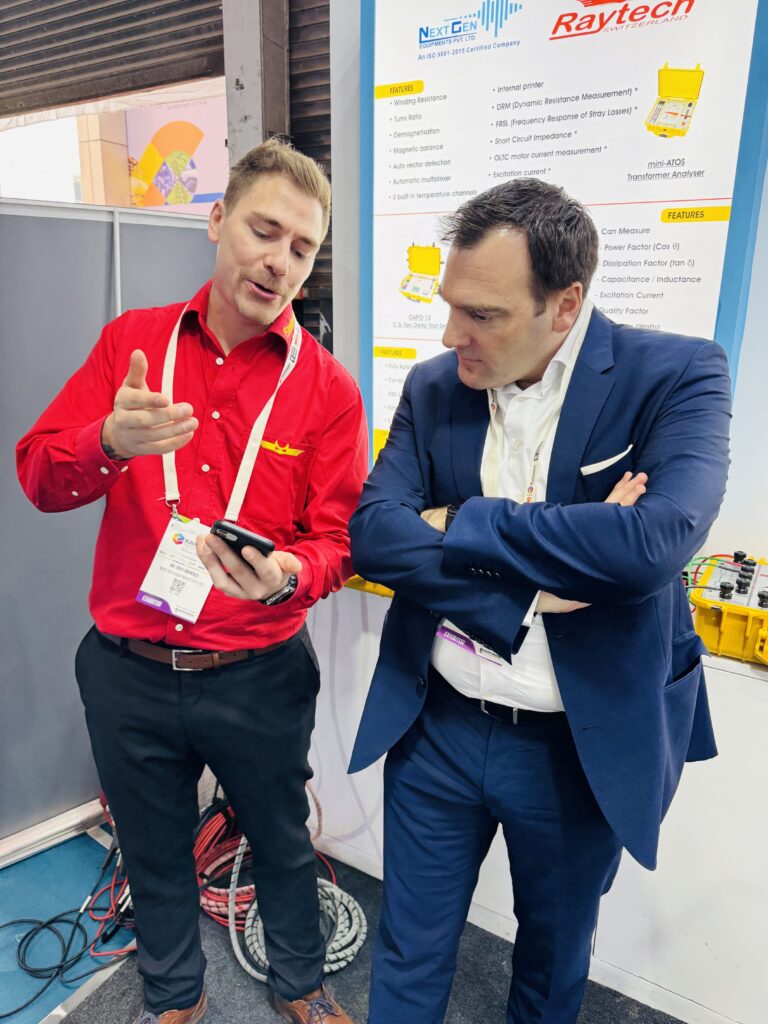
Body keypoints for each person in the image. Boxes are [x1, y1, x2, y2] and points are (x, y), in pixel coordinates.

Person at [348, 178, 731, 1024]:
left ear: (564, 305)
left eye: (482, 315)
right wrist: (531, 593)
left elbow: (651, 545)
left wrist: (459, 519)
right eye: (451, 306)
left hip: (576, 746)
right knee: (408, 949)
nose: (451, 335)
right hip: (437, 723)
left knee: (552, 966)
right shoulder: (435, 386)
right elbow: (374, 535)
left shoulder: (676, 375)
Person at [17, 138, 367, 1024]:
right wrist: (107, 442)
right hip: (129, 668)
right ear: (217, 221)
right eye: (264, 230)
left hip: (258, 672)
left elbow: (337, 540)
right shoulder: (132, 346)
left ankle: (299, 982)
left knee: (282, 842)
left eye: (303, 249)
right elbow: (39, 476)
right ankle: (175, 995)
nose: (280, 261)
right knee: (152, 847)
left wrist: (288, 574)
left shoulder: (327, 390)